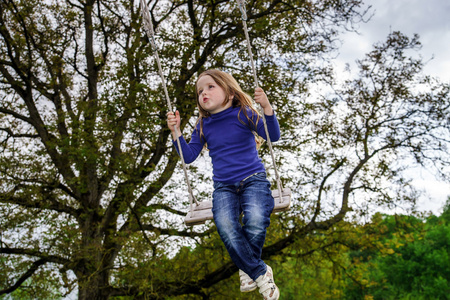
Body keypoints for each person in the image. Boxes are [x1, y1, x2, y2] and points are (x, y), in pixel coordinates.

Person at [167, 69, 280, 300]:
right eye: (200, 91)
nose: (204, 93)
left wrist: (267, 107)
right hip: (224, 187)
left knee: (256, 218)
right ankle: (258, 271)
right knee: (226, 225)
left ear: (229, 93)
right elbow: (188, 156)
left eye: (210, 87)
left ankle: (247, 268)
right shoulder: (203, 125)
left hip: (253, 179)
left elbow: (272, 135)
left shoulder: (245, 113)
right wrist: (175, 131)